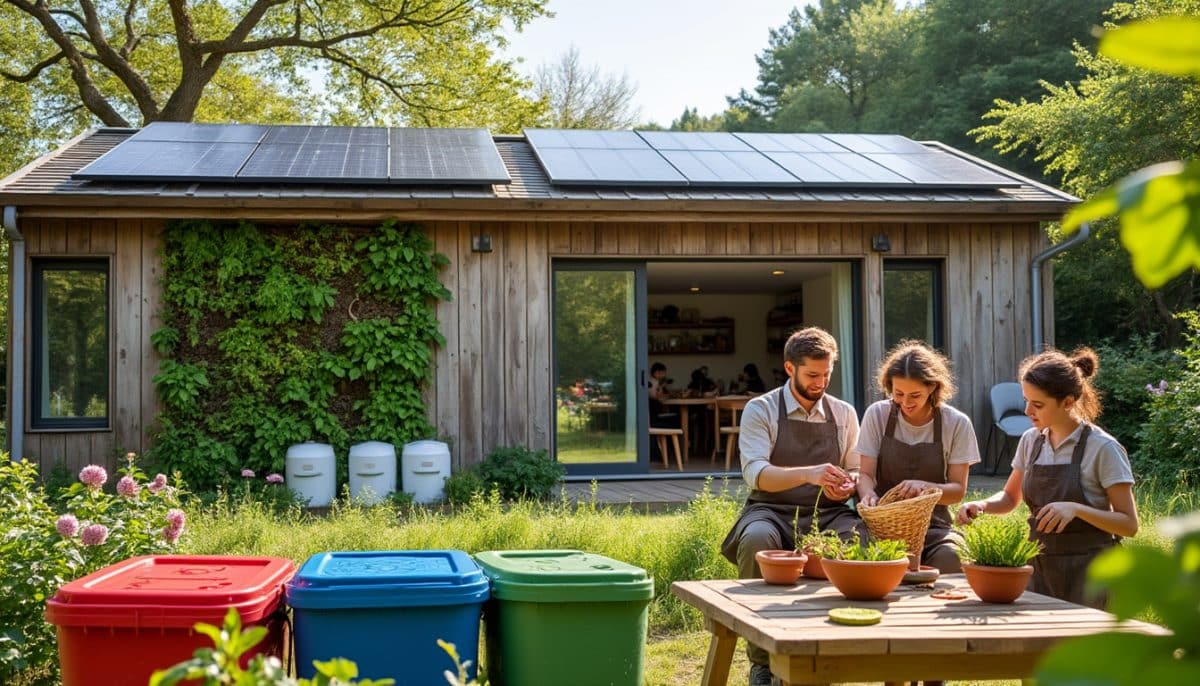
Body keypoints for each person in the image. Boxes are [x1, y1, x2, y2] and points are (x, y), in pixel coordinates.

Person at [720, 327, 862, 686]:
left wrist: (849, 483)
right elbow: (757, 475)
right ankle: (763, 662)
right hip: (770, 510)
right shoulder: (761, 409)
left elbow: (858, 468)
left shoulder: (843, 413)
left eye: (827, 374)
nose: (821, 382)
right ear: (789, 368)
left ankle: (835, 648)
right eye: (813, 374)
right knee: (755, 541)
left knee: (864, 540)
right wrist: (810, 474)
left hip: (828, 514)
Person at [956, 347, 1138, 608]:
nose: (1028, 410)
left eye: (1038, 404)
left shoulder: (1103, 448)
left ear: (1068, 402)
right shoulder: (1031, 440)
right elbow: (1009, 497)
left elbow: (1129, 524)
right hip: (1039, 568)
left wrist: (1075, 509)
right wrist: (982, 506)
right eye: (1025, 401)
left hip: (1092, 573)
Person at [854, 341, 980, 574]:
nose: (905, 402)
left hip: (934, 526)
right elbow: (865, 474)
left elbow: (957, 491)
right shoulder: (877, 414)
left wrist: (925, 488)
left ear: (932, 387)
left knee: (952, 557)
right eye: (898, 393)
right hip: (882, 525)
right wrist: (868, 494)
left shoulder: (957, 423)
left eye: (915, 395)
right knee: (855, 551)